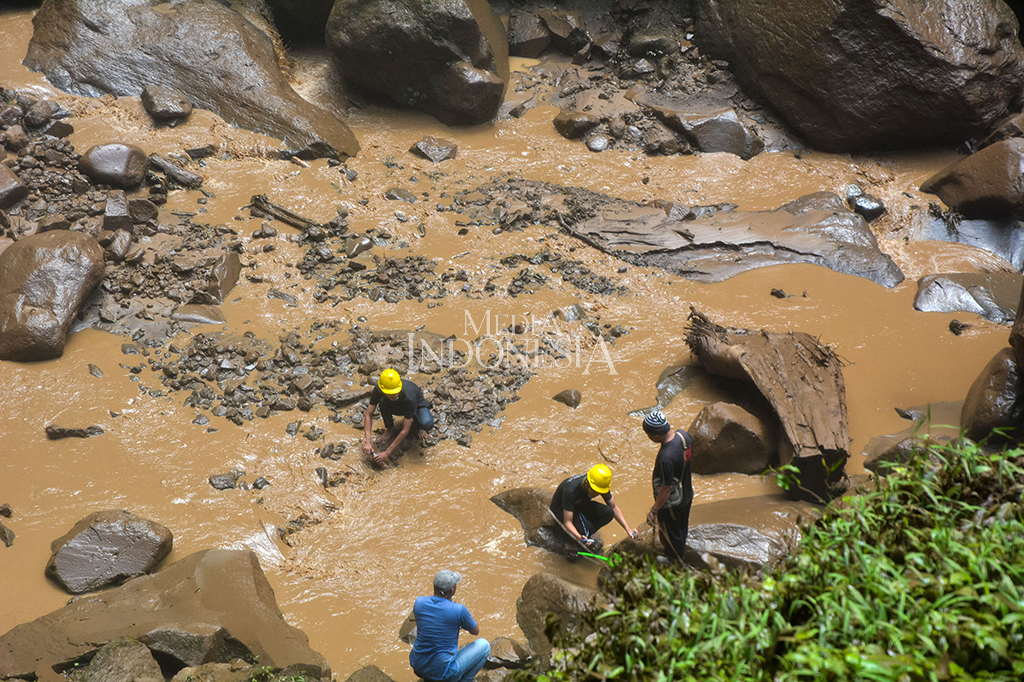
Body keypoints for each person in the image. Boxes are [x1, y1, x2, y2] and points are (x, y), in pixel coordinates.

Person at [409, 570, 490, 682]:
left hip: (418, 666)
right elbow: (475, 631)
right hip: (445, 673)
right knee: (484, 645)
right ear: (452, 590)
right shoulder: (458, 610)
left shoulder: (419, 602)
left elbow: (432, 621)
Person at [549, 464, 637, 554]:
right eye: (595, 491)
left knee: (608, 513)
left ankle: (586, 535)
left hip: (580, 504)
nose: (597, 494)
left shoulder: (600, 484)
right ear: (587, 483)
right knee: (582, 531)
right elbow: (568, 522)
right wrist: (579, 538)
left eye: (600, 492)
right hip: (562, 511)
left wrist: (627, 528)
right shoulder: (570, 491)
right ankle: (570, 541)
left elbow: (613, 507)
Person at [643, 410, 694, 563]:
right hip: (687, 493)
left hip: (673, 503)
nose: (649, 437)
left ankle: (673, 559)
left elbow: (666, 487)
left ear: (656, 435)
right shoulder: (683, 436)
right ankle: (680, 547)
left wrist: (654, 510)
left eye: (648, 434)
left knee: (671, 531)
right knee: (681, 525)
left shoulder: (666, 457)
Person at [363, 368, 434, 465]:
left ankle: (420, 427)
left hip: (416, 406)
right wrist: (368, 441)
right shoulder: (379, 389)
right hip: (396, 406)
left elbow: (405, 430)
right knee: (383, 401)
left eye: (395, 392)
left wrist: (386, 453)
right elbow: (368, 414)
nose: (394, 395)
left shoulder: (409, 397)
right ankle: (390, 429)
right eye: (391, 393)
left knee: (426, 423)